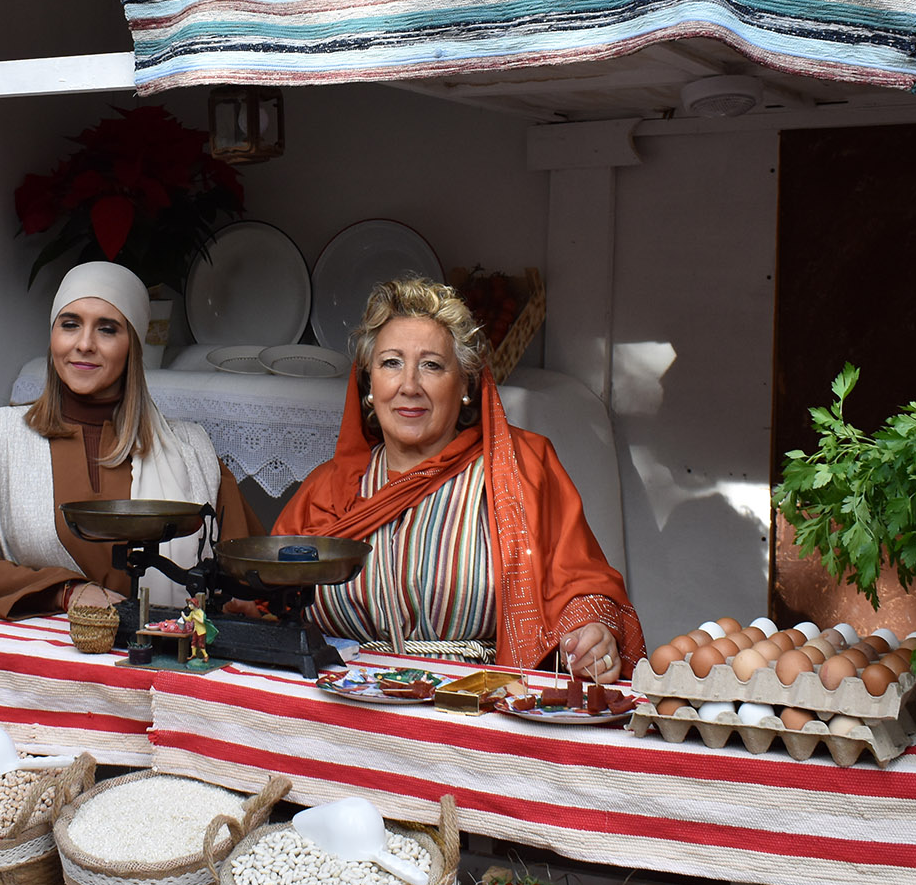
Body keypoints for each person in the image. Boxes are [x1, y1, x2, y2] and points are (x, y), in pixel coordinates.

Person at [275, 277, 646, 679]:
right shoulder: (326, 491)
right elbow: (269, 597)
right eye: (391, 363)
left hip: (471, 713)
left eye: (432, 365)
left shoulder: (522, 469)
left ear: (466, 383)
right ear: (368, 382)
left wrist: (592, 634)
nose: (409, 386)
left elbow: (580, 584)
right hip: (342, 716)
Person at [0, 261, 258, 616]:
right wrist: (62, 592)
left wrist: (241, 598)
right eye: (70, 325)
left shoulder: (192, 452)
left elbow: (248, 570)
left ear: (132, 345)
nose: (84, 344)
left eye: (107, 329)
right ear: (52, 335)